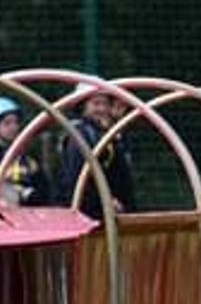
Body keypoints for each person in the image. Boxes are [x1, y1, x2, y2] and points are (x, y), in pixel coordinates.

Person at [57, 88, 139, 217]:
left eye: (105, 104)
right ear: (83, 107)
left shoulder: (106, 134)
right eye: (96, 104)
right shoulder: (80, 134)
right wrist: (104, 203)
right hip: (87, 213)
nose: (102, 109)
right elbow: (77, 177)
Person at [0, 97, 50, 206]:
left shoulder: (28, 158)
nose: (14, 127)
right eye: (7, 123)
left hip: (24, 212)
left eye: (16, 122)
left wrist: (27, 194)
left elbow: (45, 191)